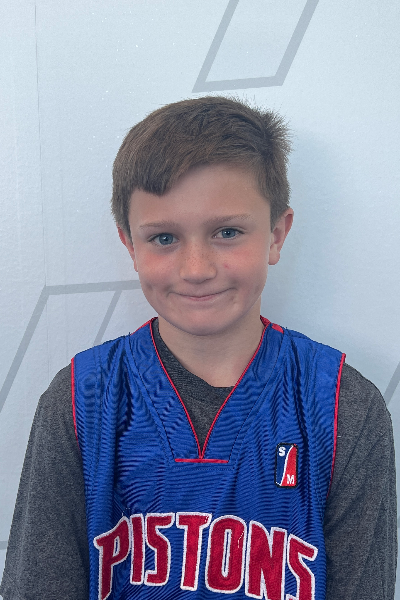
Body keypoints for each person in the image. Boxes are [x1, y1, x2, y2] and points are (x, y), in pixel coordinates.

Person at [0, 96, 396, 600]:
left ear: (276, 235)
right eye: (164, 238)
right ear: (130, 244)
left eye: (227, 232)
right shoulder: (82, 401)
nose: (196, 269)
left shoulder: (343, 407)